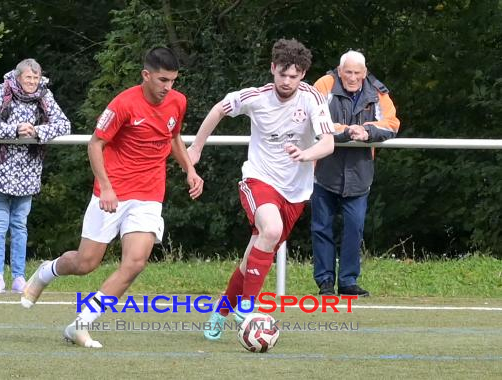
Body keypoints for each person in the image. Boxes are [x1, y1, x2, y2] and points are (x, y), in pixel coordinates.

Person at [21, 47, 203, 349]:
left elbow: (173, 138)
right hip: (113, 193)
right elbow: (95, 144)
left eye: (172, 80)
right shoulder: (123, 104)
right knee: (85, 263)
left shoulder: (177, 102)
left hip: (149, 196)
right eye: (162, 80)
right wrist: (105, 186)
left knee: (135, 263)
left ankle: (80, 325)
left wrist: (190, 170)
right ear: (146, 75)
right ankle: (46, 271)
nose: (168, 87)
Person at [187, 38, 335, 341]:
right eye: (282, 74)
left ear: (303, 74)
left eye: (293, 76)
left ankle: (221, 310)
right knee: (270, 229)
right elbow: (218, 109)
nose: (286, 81)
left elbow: (328, 143)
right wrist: (196, 148)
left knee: (251, 257)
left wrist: (306, 155)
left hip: (296, 192)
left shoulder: (312, 99)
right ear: (272, 69)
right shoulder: (256, 97)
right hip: (259, 179)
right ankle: (247, 309)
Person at [0, 58, 71, 294]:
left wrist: (37, 130)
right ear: (18, 77)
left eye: (35, 78)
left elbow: (64, 125)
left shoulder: (44, 95)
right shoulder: (2, 91)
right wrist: (15, 130)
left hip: (28, 172)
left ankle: (19, 277)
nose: (32, 82)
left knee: (20, 225)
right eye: (28, 77)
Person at [311, 50, 400, 297]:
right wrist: (346, 132)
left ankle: (348, 282)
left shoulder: (377, 91)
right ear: (340, 71)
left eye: (357, 73)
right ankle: (325, 282)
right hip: (324, 171)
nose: (352, 77)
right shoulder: (324, 84)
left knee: (355, 227)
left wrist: (367, 132)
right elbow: (314, 118)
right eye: (347, 72)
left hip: (360, 174)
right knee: (321, 228)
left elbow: (392, 124)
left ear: (364, 72)